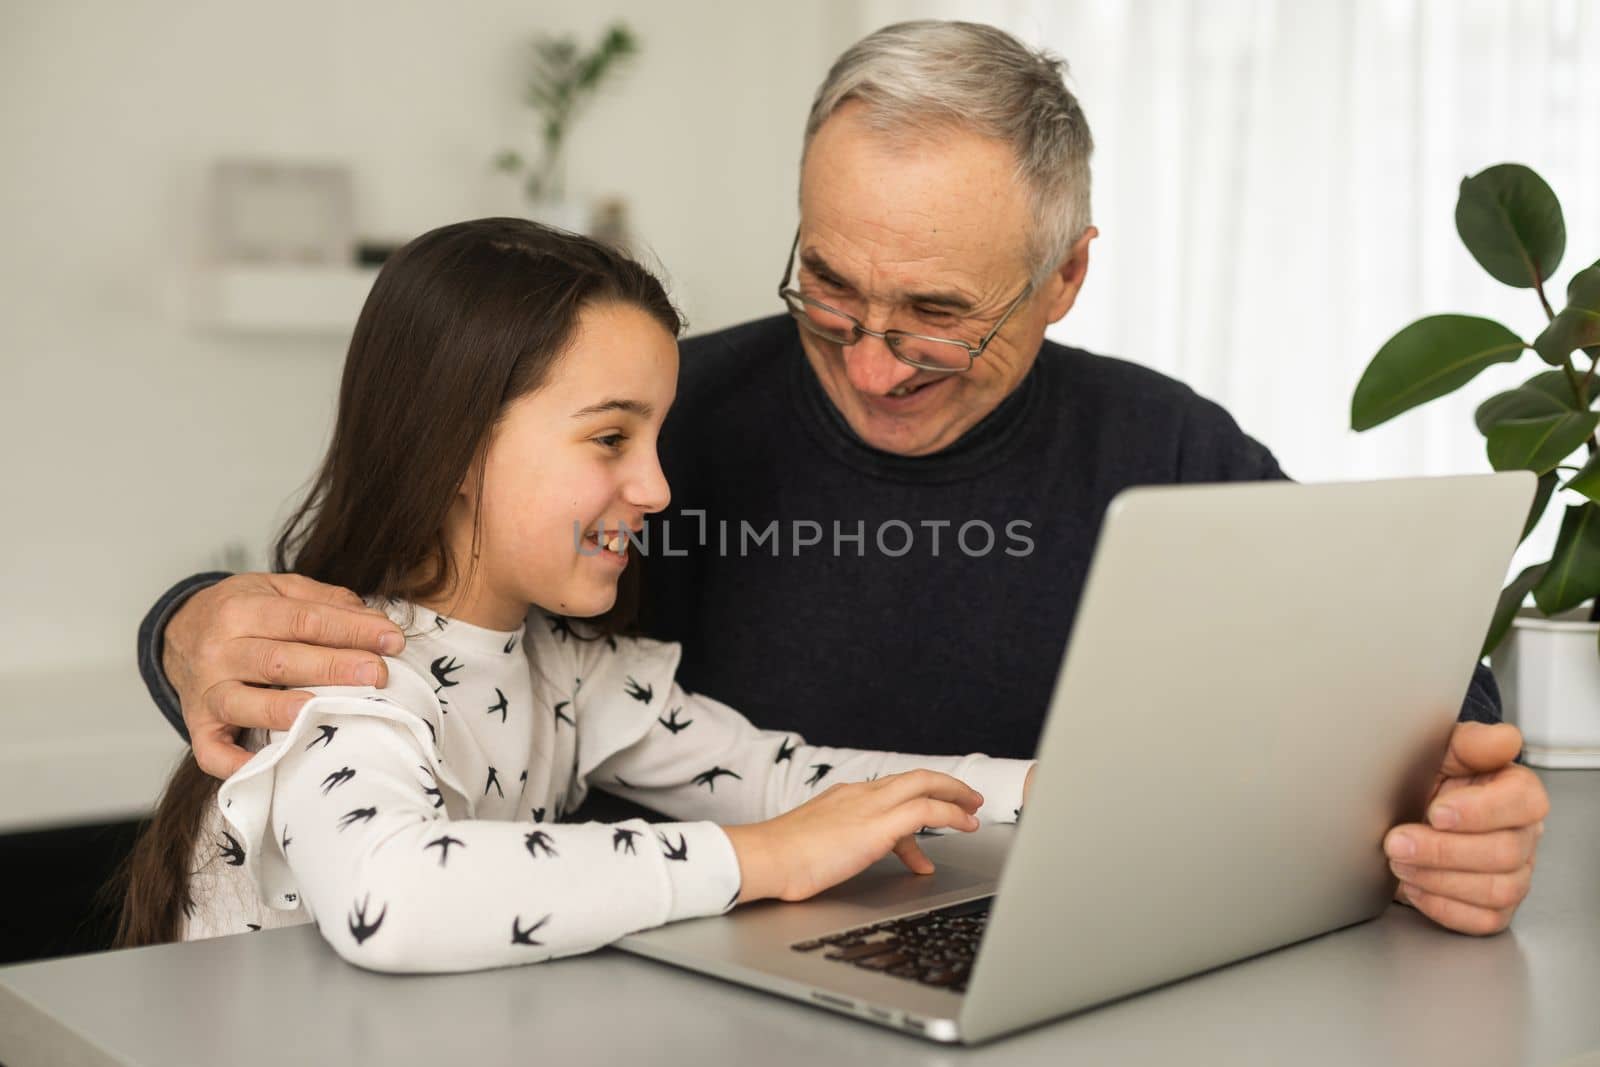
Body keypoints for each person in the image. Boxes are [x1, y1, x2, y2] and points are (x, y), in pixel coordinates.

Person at [137, 21, 1547, 938]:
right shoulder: (669, 415)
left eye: (936, 312)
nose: (871, 361)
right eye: (829, 285)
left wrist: (1449, 790)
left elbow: (1405, 684)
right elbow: (357, 677)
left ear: (1063, 276)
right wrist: (186, 625)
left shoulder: (1163, 447)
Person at [115, 219, 1034, 967]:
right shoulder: (348, 672)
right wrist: (762, 859)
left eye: (656, 439)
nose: (657, 488)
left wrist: (1052, 790)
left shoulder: (576, 677)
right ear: (457, 447)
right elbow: (388, 895)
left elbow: (784, 778)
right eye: (609, 440)